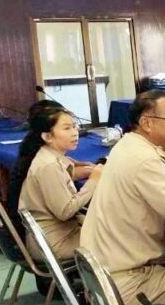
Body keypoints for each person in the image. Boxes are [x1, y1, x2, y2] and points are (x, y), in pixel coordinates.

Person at [80, 90, 165, 305]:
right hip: (129, 283)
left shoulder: (128, 145)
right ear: (147, 123)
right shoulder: (146, 160)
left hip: (104, 275)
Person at [7, 107, 103, 262]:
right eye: (67, 128)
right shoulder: (49, 166)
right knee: (120, 238)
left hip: (55, 235)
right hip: (55, 243)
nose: (75, 133)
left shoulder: (48, 154)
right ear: (47, 136)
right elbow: (65, 211)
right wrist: (93, 181)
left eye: (74, 126)